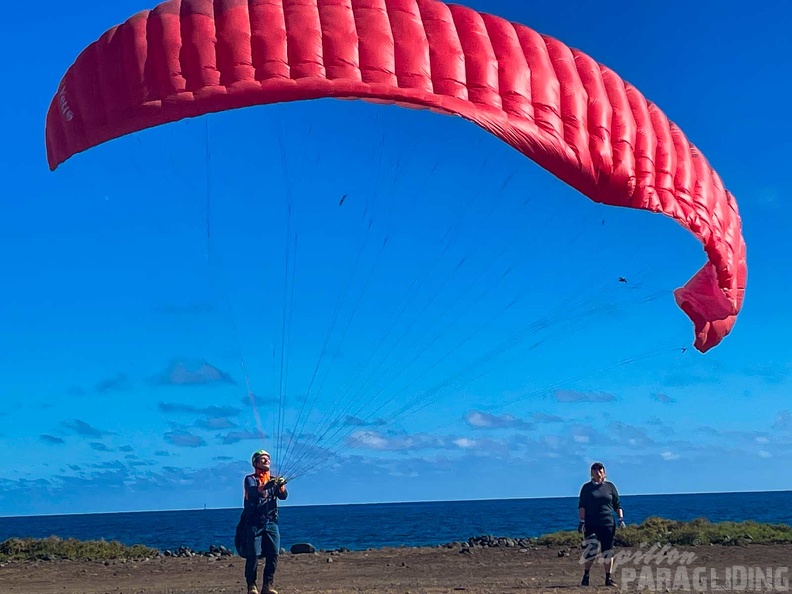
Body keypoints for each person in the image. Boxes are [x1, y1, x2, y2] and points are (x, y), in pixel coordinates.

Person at [238, 449, 288, 594]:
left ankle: (268, 585)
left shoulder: (273, 480)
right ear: (256, 463)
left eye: (268, 459)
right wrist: (269, 484)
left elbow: (283, 496)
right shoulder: (250, 479)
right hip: (254, 523)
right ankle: (251, 586)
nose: (267, 461)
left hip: (271, 522)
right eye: (263, 459)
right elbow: (255, 491)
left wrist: (281, 486)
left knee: (274, 554)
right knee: (253, 555)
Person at [577, 461, 626, 587]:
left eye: (600, 470)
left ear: (604, 472)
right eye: (595, 470)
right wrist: (581, 522)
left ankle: (608, 578)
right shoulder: (587, 488)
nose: (598, 473)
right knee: (591, 549)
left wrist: (620, 519)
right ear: (591, 473)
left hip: (608, 524)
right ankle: (586, 575)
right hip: (592, 523)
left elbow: (617, 504)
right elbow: (582, 506)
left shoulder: (610, 487)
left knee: (607, 551)